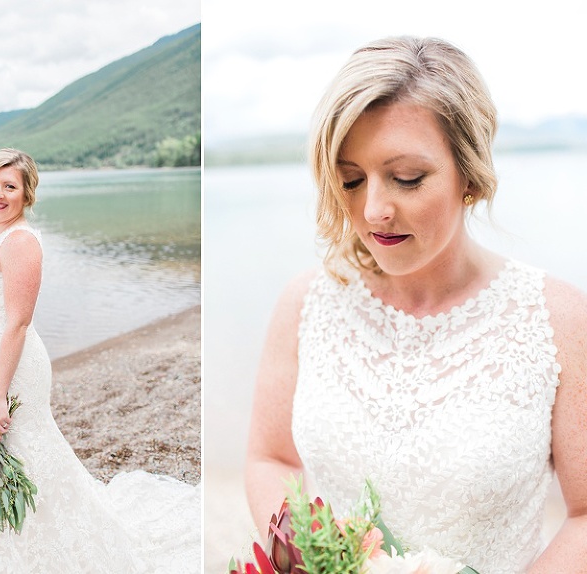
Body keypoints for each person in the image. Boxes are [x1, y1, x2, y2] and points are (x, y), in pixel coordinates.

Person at [244, 37, 587, 573]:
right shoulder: (305, 304)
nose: (373, 209)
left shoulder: (559, 320)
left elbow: (585, 513)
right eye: (351, 180)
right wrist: (310, 560)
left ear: (468, 175)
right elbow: (272, 458)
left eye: (406, 178)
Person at [0, 148, 200, 573]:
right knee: (7, 454)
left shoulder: (22, 242)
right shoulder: (0, 238)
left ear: (27, 194)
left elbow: (19, 324)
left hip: (11, 369)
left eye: (10, 186)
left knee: (23, 449)